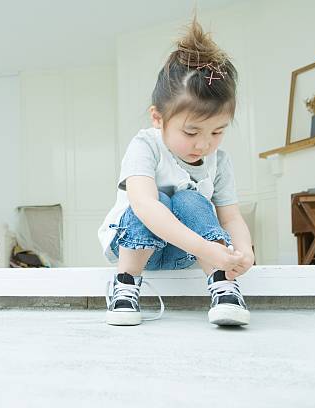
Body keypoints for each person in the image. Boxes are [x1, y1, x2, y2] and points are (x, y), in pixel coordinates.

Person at [98, 17, 254, 327]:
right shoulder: (145, 145)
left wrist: (244, 252)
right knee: (161, 203)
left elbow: (231, 217)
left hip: (186, 253)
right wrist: (207, 248)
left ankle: (223, 284)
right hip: (135, 246)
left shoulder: (219, 161)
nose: (204, 145)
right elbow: (144, 206)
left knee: (192, 201)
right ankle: (126, 285)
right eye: (192, 132)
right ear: (158, 118)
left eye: (217, 132)